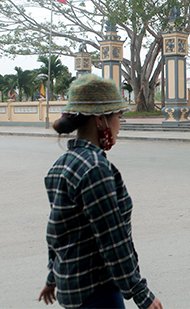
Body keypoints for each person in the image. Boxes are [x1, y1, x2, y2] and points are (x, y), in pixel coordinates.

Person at [39, 74, 163, 309]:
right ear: (100, 120)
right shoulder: (95, 168)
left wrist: (52, 277)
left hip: (72, 290)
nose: (119, 124)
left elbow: (58, 231)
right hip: (98, 292)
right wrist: (140, 292)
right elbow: (112, 239)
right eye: (118, 116)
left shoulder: (60, 166)